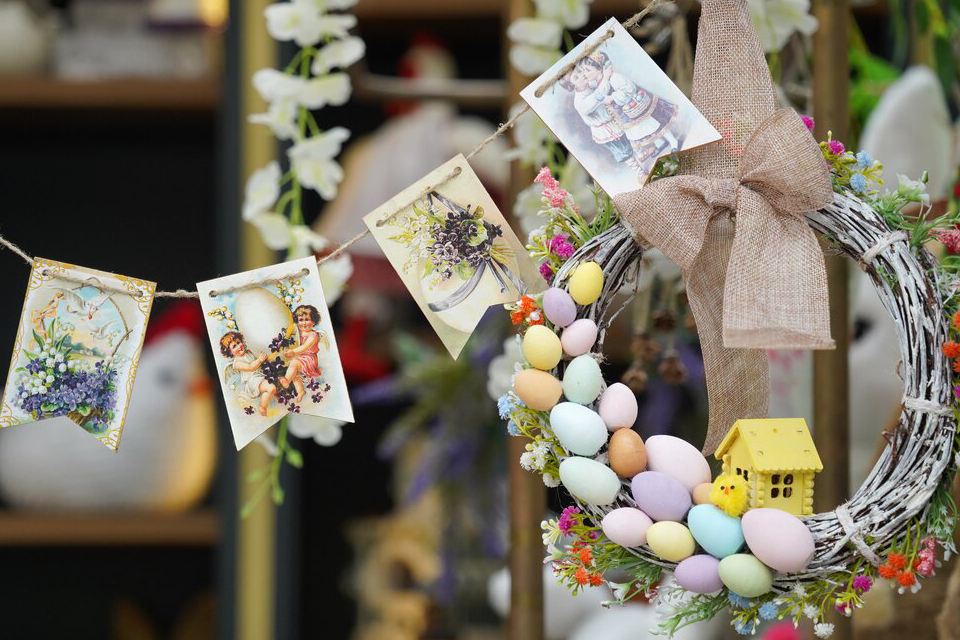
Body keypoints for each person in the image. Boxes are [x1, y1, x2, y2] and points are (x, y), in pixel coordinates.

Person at [220, 331, 276, 416]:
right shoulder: (237, 363)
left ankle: (266, 402)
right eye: (234, 346)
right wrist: (259, 360)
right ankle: (262, 407)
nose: (239, 346)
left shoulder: (248, 352)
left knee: (273, 388)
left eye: (239, 342)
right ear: (230, 352)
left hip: (260, 375)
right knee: (271, 388)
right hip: (253, 381)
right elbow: (250, 367)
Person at [279, 304, 325, 403]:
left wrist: (293, 351)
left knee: (294, 363)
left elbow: (305, 347)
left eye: (307, 319)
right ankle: (300, 391)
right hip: (300, 357)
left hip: (309, 359)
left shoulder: (313, 335)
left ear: (313, 321)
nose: (304, 323)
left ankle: (286, 380)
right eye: (301, 320)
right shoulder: (298, 331)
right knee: (295, 374)